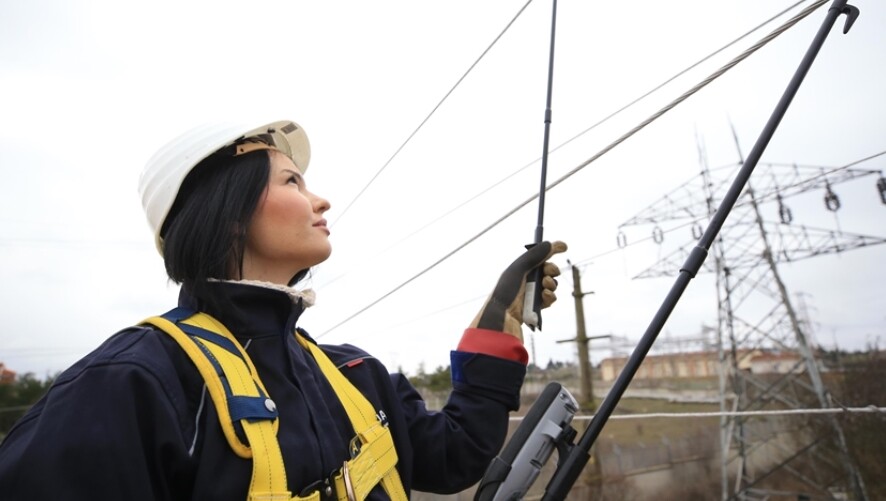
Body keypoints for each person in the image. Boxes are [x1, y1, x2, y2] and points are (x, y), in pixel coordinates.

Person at [0, 119, 567, 500]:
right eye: (293, 180)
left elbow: (456, 455)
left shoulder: (352, 375)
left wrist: (498, 324)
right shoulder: (135, 383)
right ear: (227, 213)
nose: (320, 199)